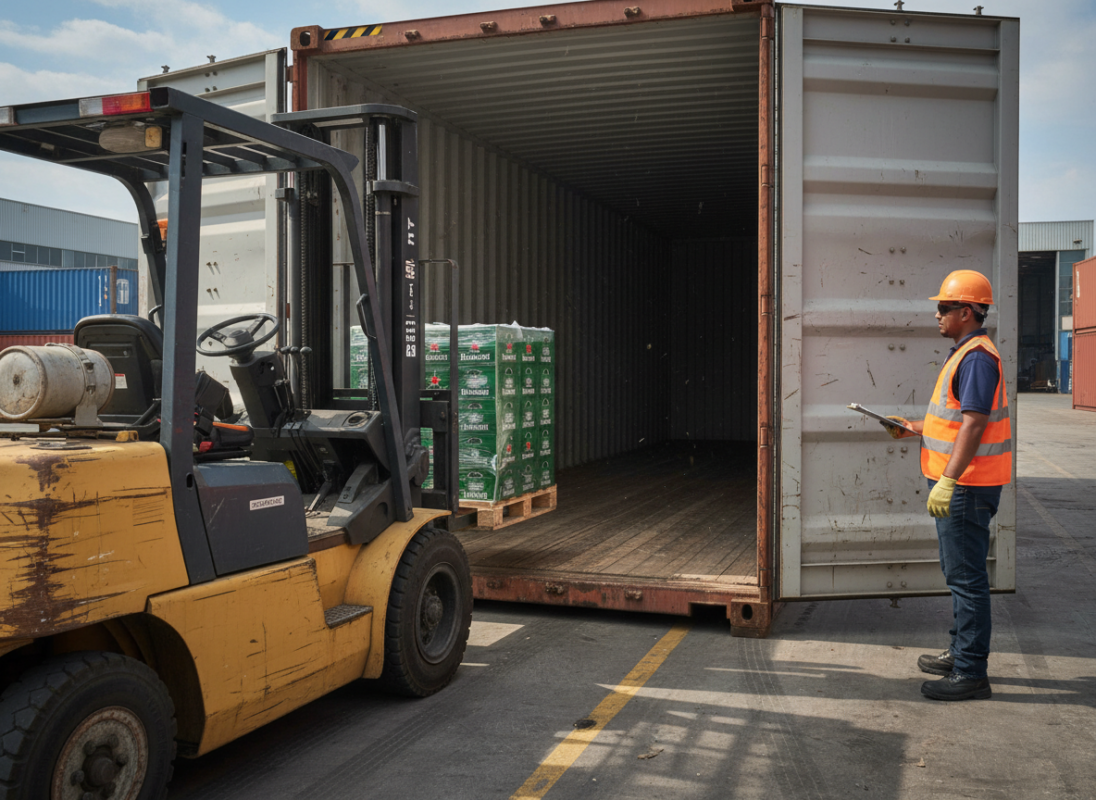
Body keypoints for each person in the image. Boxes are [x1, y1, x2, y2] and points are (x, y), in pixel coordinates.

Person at [881, 270, 1012, 701]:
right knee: (960, 574)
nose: (937, 314)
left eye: (944, 307)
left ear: (967, 311)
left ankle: (971, 672)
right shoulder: (967, 353)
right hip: (963, 485)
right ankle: (961, 653)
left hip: (966, 487)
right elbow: (954, 420)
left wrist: (950, 480)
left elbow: (974, 426)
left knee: (967, 579)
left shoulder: (975, 357)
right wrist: (914, 427)